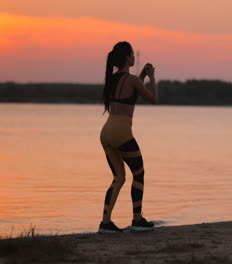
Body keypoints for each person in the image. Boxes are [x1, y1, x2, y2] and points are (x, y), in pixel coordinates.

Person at [98, 41, 158, 233]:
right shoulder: (131, 80)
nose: (134, 57)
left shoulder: (115, 78)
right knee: (139, 173)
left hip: (106, 132)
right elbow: (153, 99)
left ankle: (105, 223)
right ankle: (137, 219)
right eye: (132, 55)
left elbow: (131, 94)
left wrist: (142, 77)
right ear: (126, 57)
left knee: (119, 177)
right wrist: (152, 78)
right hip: (121, 133)